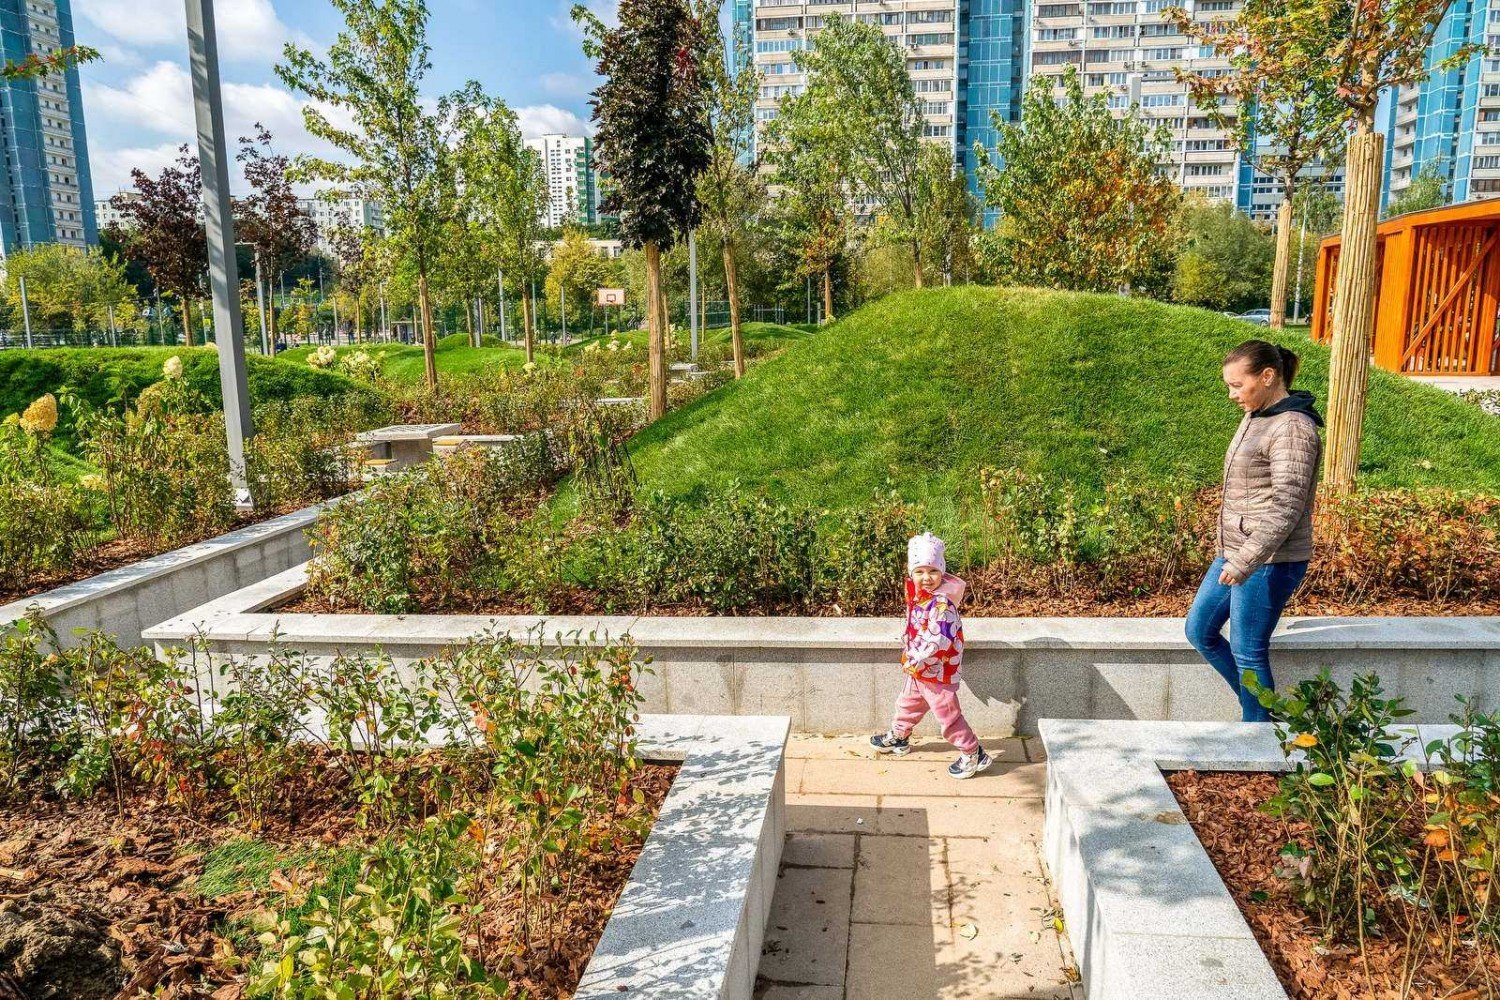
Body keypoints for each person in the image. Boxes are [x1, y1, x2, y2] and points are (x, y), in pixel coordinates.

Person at [1186, 340, 1323, 722]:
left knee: (1248, 649)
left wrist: (1245, 560)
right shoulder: (1258, 415)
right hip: (1237, 553)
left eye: (1237, 385)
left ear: (1267, 376)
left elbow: (1286, 505)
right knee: (1200, 632)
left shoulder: (1293, 427)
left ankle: (1258, 733)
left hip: (1269, 560)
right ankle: (1264, 712)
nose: (1232, 395)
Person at [870, 532, 994, 779]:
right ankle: (900, 736)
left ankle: (973, 753)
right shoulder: (919, 596)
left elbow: (938, 639)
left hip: (937, 671)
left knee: (948, 715)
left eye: (933, 572)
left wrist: (916, 655)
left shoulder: (942, 604)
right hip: (919, 669)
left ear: (942, 572)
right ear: (911, 572)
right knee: (907, 703)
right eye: (919, 571)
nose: (926, 577)